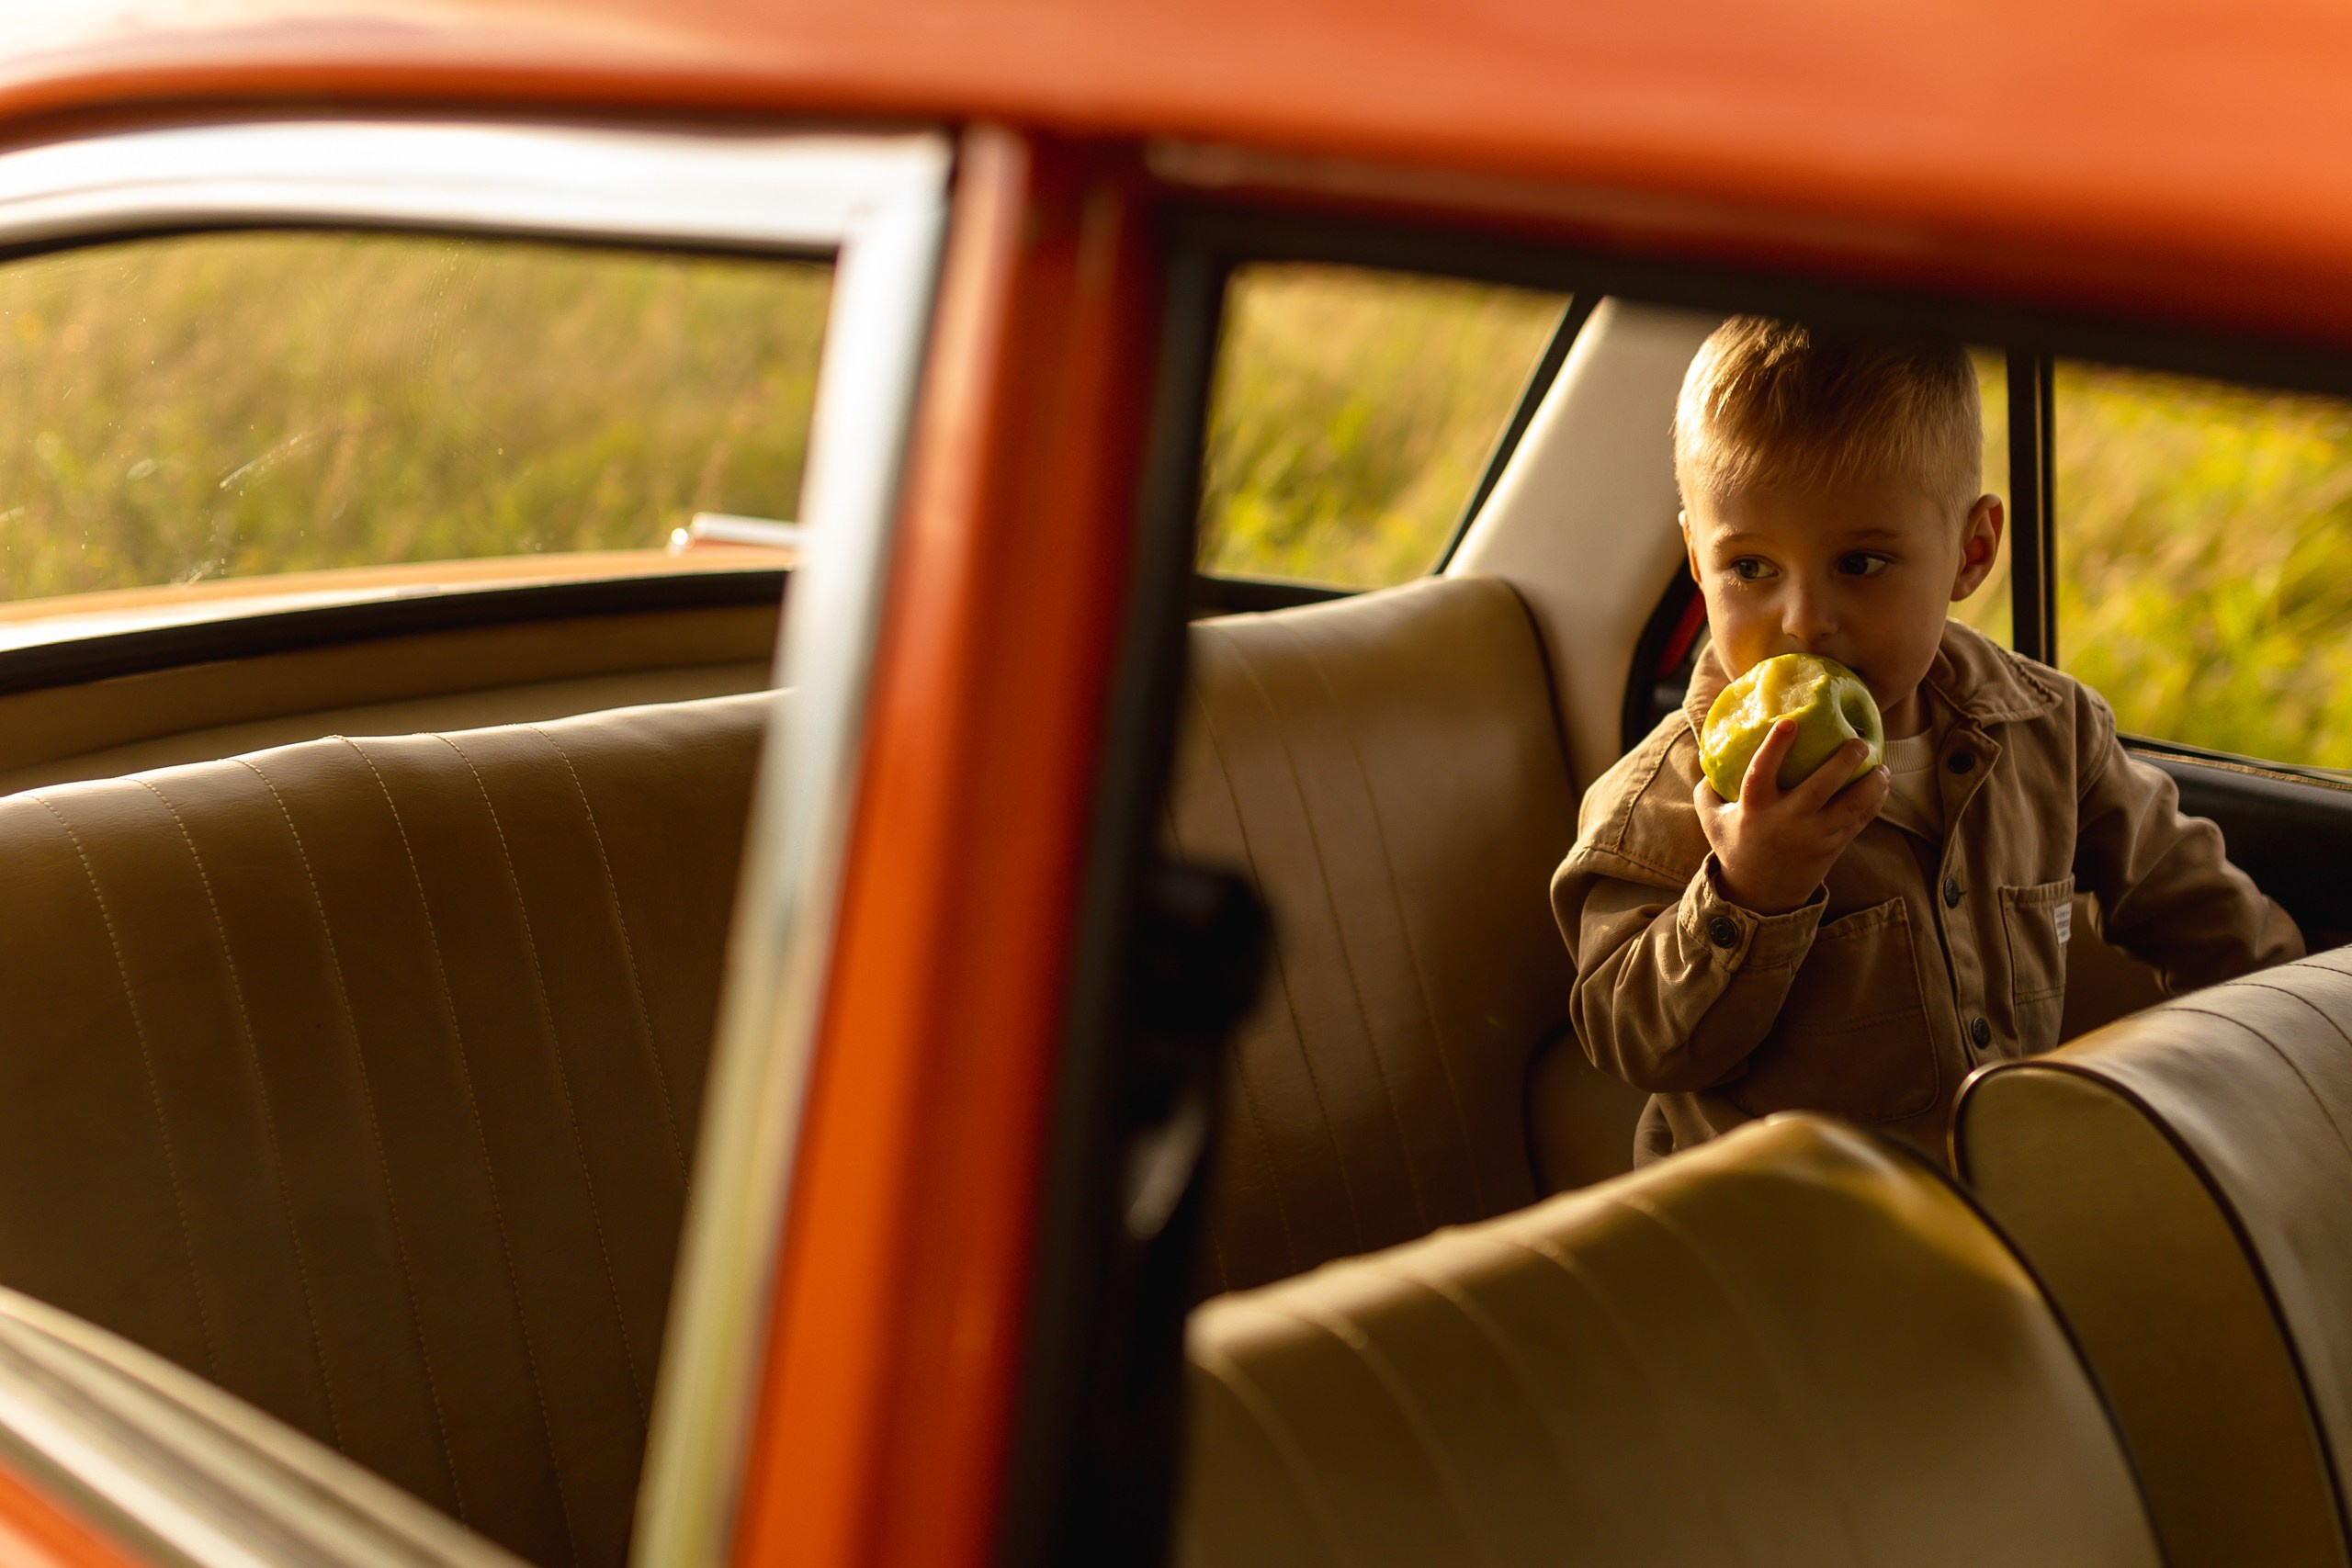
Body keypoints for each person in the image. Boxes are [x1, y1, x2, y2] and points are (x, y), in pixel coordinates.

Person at [1553, 317, 2302, 1167]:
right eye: (1752, 568)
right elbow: (1631, 1040)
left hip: (2006, 1212)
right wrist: (1748, 896)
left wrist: (2297, 1045)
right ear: (1697, 556)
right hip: (1775, 1250)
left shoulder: (2048, 731)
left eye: (1860, 564)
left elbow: (2206, 918)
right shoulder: (1665, 795)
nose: (1803, 620)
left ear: (1971, 551)